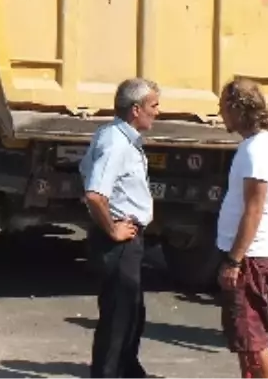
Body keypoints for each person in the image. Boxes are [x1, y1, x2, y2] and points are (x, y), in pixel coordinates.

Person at [79, 77, 161, 379]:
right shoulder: (115, 143)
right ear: (136, 109)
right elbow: (95, 194)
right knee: (118, 318)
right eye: (153, 106)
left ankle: (128, 371)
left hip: (130, 238)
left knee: (132, 313)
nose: (157, 112)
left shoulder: (119, 137)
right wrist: (113, 229)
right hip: (117, 242)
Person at [216, 79, 268, 379]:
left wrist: (234, 259)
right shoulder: (261, 144)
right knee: (247, 338)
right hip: (251, 255)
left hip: (250, 257)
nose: (220, 114)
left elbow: (254, 208)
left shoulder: (256, 150)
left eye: (223, 107)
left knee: (252, 339)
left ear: (237, 109)